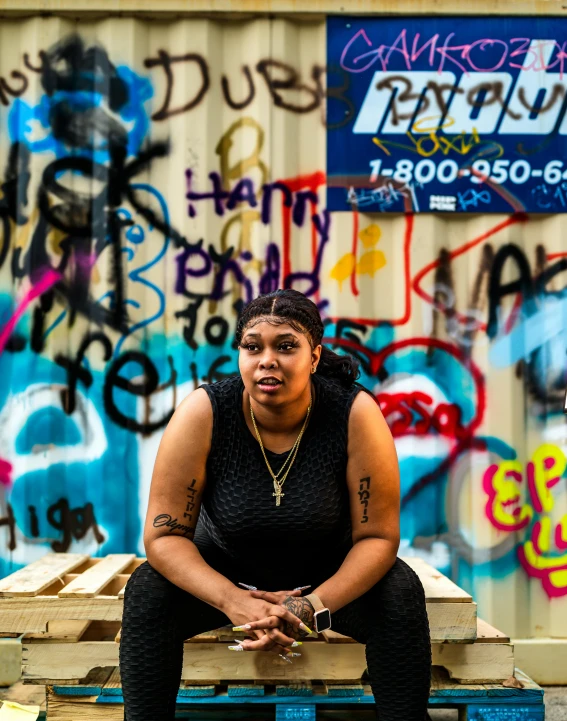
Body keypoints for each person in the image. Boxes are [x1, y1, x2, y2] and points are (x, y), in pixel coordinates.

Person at [119, 289, 431, 721]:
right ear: (241, 354)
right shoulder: (204, 412)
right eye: (253, 347)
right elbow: (164, 535)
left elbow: (377, 536)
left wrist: (306, 607)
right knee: (149, 590)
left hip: (326, 576)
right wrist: (235, 601)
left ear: (315, 357)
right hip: (227, 571)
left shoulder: (353, 413)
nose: (267, 359)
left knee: (399, 591)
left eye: (286, 346)